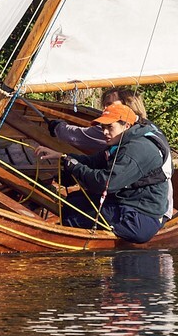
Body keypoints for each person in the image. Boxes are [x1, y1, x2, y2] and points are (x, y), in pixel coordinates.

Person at [35, 103, 170, 244]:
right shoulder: (121, 141)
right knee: (74, 200)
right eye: (103, 127)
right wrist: (63, 156)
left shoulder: (136, 150)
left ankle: (64, 249)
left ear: (127, 126)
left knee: (73, 215)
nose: (105, 132)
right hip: (126, 201)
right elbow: (93, 161)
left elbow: (104, 183)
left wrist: (74, 166)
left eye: (110, 127)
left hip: (140, 217)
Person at [47, 88, 174, 218]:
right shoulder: (146, 127)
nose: (105, 109)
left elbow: (79, 137)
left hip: (146, 207)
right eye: (104, 105)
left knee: (74, 207)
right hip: (145, 198)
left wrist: (57, 127)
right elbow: (96, 161)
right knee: (77, 198)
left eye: (109, 104)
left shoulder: (119, 131)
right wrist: (65, 158)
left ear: (127, 106)